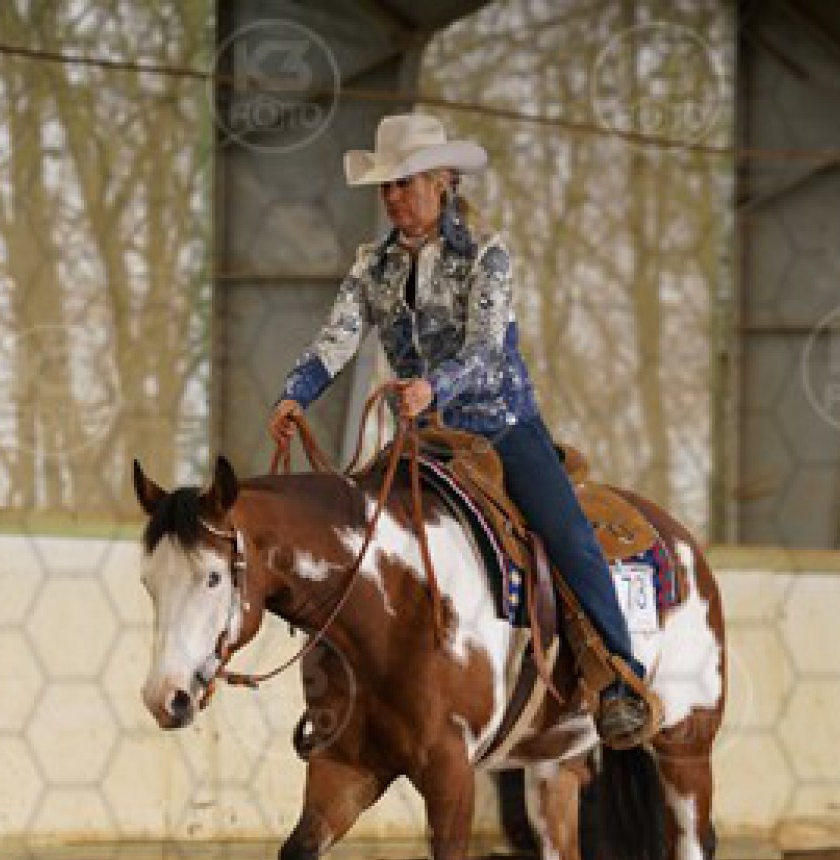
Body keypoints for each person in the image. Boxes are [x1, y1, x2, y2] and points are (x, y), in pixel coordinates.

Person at [267, 113, 659, 749]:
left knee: (567, 533)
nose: (393, 197)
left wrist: (433, 387)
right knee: (359, 532)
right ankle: (348, 691)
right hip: (422, 439)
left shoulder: (485, 256)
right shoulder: (372, 267)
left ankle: (620, 676)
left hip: (500, 429)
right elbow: (336, 340)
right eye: (386, 186)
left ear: (442, 181)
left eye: (405, 183)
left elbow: (486, 351)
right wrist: (295, 394)